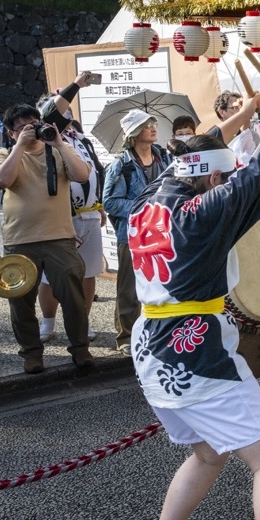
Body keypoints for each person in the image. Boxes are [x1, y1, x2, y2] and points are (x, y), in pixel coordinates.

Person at [129, 90, 260, 520]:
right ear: (214, 177)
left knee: (208, 453)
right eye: (221, 176)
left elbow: (199, 149)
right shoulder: (203, 211)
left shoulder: (150, 196)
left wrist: (244, 114)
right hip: (195, 351)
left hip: (150, 348)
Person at [0, 103, 94, 373]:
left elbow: (82, 175)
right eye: (23, 127)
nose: (31, 131)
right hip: (19, 239)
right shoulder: (4, 154)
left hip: (59, 237)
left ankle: (80, 348)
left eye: (34, 125)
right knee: (21, 302)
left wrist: (59, 143)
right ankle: (31, 354)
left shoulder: (58, 151)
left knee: (73, 297)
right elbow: (3, 180)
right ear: (11, 133)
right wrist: (20, 146)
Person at [104, 113, 173, 357]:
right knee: (129, 288)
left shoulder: (165, 158)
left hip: (162, 232)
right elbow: (110, 202)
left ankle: (156, 334)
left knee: (162, 283)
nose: (153, 128)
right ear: (133, 133)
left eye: (153, 124)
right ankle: (125, 337)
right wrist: (144, 208)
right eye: (146, 125)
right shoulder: (121, 165)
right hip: (132, 234)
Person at [37, 119, 106, 341]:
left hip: (90, 213)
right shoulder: (44, 139)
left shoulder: (83, 140)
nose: (65, 118)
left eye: (68, 114)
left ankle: (82, 321)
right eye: (61, 114)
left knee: (89, 272)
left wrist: (99, 204)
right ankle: (48, 322)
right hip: (61, 217)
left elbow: (96, 173)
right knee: (51, 274)